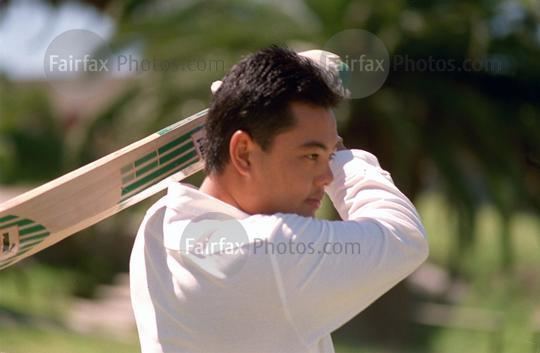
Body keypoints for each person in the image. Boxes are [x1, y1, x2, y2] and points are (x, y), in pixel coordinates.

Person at [129, 46, 429, 353]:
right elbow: (402, 234)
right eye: (311, 155)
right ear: (243, 152)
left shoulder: (158, 227)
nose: (326, 178)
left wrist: (240, 100)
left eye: (327, 157)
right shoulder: (272, 250)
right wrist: (339, 154)